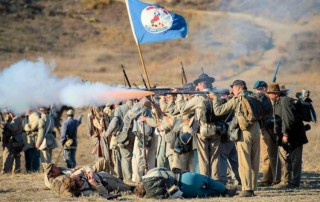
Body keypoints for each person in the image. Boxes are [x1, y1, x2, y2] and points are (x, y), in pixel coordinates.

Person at [210, 80, 261, 197]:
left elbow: (219, 111)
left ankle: (247, 189)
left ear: (238, 88)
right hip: (256, 129)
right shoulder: (254, 96)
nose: (232, 90)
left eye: (233, 88)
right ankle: (253, 187)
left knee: (244, 161)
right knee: (255, 160)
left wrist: (215, 99)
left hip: (244, 130)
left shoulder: (238, 99)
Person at [176, 73, 220, 179]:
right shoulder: (216, 95)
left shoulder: (199, 98)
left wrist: (179, 95)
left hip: (202, 130)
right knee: (215, 158)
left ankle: (205, 180)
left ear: (201, 85)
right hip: (216, 129)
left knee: (203, 158)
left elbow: (182, 108)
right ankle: (216, 179)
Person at [267, 83, 308, 188]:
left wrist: (285, 134)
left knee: (295, 160)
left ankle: (294, 182)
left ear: (276, 94)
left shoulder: (284, 101)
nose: (269, 95)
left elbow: (288, 119)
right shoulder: (277, 102)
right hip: (285, 136)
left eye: (270, 93)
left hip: (294, 136)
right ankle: (285, 181)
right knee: (285, 160)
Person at [44, 162, 131, 198]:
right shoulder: (59, 180)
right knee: (130, 188)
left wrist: (90, 172)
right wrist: (95, 184)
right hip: (107, 184)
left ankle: (120, 178)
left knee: (103, 162)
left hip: (103, 175)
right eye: (53, 168)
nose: (56, 166)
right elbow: (104, 194)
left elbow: (84, 168)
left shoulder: (71, 175)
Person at [134, 168, 237, 198]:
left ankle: (220, 194)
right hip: (183, 178)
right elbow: (164, 169)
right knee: (207, 180)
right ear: (139, 184)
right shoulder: (149, 174)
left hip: (184, 192)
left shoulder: (152, 194)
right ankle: (226, 190)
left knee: (207, 193)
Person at [253, 81, 279, 187]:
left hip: (269, 130)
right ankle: (267, 179)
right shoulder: (265, 99)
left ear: (264, 88)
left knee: (271, 155)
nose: (257, 92)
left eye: (259, 89)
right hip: (265, 129)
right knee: (266, 156)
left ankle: (275, 179)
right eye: (257, 89)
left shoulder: (266, 99)